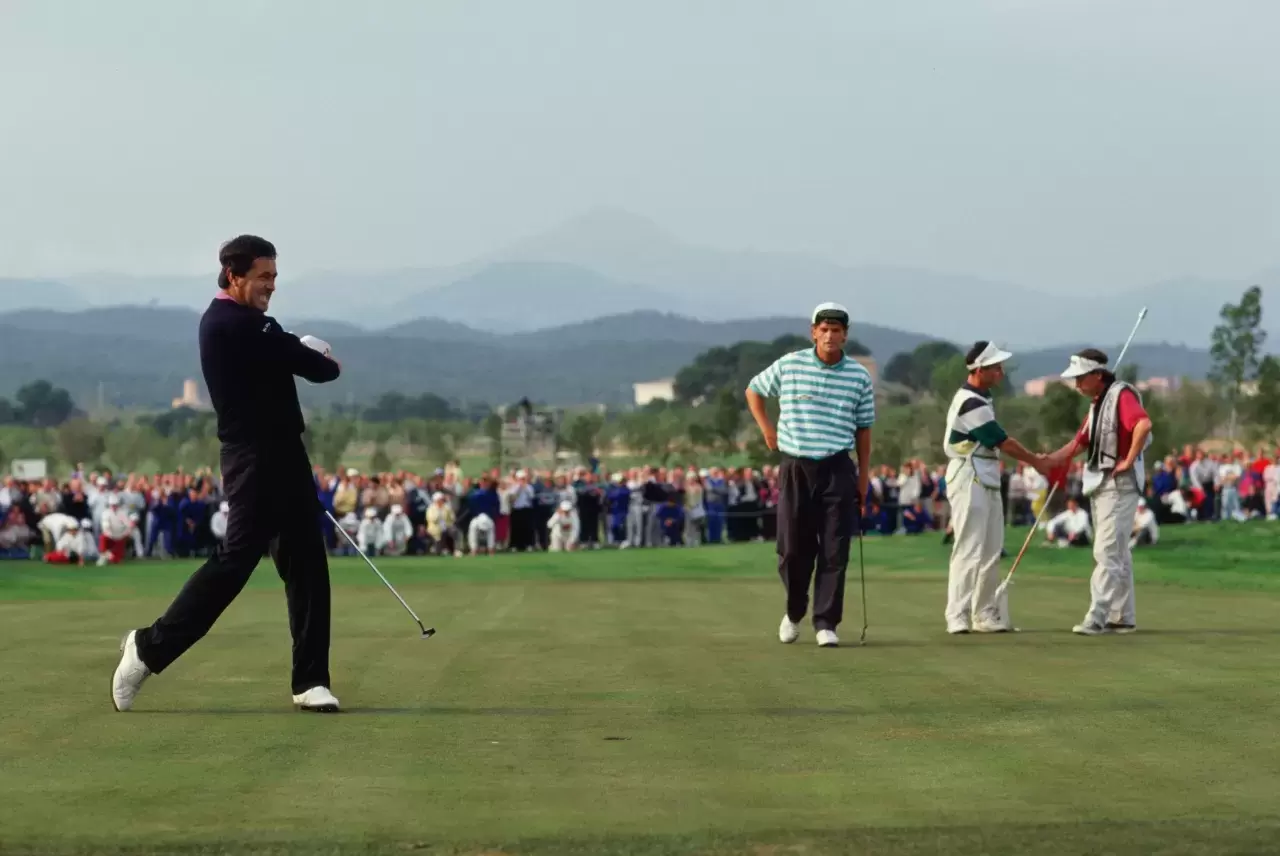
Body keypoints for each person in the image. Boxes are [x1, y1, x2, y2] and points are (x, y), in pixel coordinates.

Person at [111, 234, 343, 713]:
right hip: (254, 460)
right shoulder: (232, 324)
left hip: (286, 456)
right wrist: (309, 350)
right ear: (234, 276)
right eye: (263, 277)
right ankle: (147, 647)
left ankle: (310, 681)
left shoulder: (258, 326)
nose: (271, 286)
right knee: (233, 564)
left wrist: (296, 348)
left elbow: (298, 363)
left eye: (275, 277)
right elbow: (324, 372)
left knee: (307, 568)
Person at [745, 302, 874, 648]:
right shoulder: (790, 365)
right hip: (796, 466)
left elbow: (864, 432)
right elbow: (754, 390)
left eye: (837, 330)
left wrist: (862, 482)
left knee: (835, 549)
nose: (830, 335)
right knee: (792, 549)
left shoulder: (859, 376)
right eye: (825, 329)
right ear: (813, 331)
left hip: (838, 467)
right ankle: (794, 612)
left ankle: (826, 622)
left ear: (845, 335)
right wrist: (767, 430)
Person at [942, 341, 1052, 634]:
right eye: (995, 367)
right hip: (968, 476)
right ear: (979, 370)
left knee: (991, 548)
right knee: (968, 547)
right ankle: (957, 614)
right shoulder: (970, 401)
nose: (1001, 372)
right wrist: (1035, 461)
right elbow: (1001, 440)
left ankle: (985, 614)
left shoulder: (983, 397)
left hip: (986, 475)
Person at [1044, 347, 1153, 636]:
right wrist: (1048, 460)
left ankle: (1098, 615)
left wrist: (1128, 460)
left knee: (1105, 550)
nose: (1076, 384)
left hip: (1120, 484)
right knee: (1118, 552)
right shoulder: (1098, 403)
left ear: (1097, 375)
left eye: (1081, 378)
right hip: (1102, 484)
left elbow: (1143, 425)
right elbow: (1079, 443)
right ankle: (1123, 615)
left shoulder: (1121, 396)